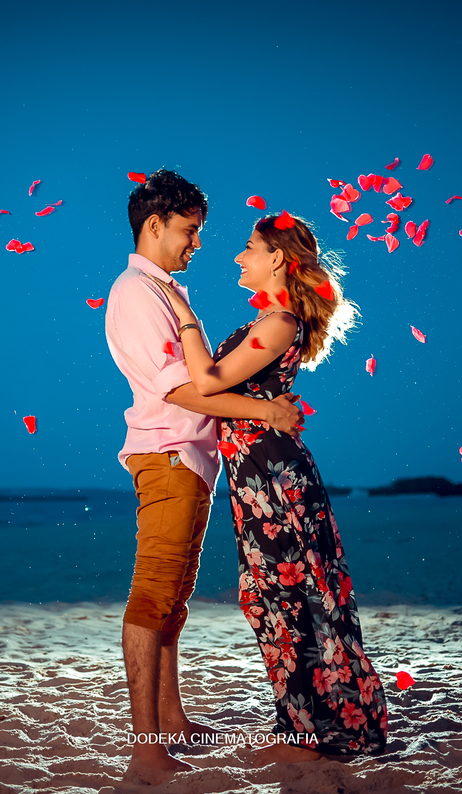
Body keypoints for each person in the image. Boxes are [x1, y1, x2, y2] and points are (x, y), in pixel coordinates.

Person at [146, 212, 388, 765]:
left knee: (287, 600)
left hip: (275, 479)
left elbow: (206, 382)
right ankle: (306, 724)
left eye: (249, 248)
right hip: (257, 476)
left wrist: (183, 313)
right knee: (272, 599)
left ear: (277, 257)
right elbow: (215, 383)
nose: (239, 257)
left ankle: (310, 732)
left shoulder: (279, 321)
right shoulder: (273, 320)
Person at [104, 169, 306, 785]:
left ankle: (172, 723)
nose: (197, 244)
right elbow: (187, 391)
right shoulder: (138, 293)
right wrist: (266, 409)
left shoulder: (167, 290)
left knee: (174, 601)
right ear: (153, 224)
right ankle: (147, 749)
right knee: (153, 597)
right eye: (188, 232)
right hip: (166, 454)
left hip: (188, 459)